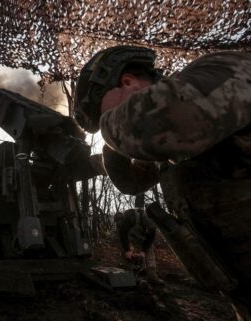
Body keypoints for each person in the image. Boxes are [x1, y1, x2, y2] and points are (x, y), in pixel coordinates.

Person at [75, 46, 251, 320]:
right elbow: (130, 182)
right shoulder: (167, 146)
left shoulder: (222, 67)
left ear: (128, 82)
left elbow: (155, 122)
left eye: (105, 114)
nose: (107, 124)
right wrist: (114, 148)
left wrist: (110, 125)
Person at [114, 208, 163, 286]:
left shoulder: (152, 227)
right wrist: (127, 250)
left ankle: (152, 276)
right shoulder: (131, 217)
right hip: (130, 236)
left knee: (149, 252)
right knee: (128, 255)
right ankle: (128, 276)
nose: (149, 228)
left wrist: (143, 251)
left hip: (143, 237)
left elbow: (149, 241)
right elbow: (122, 234)